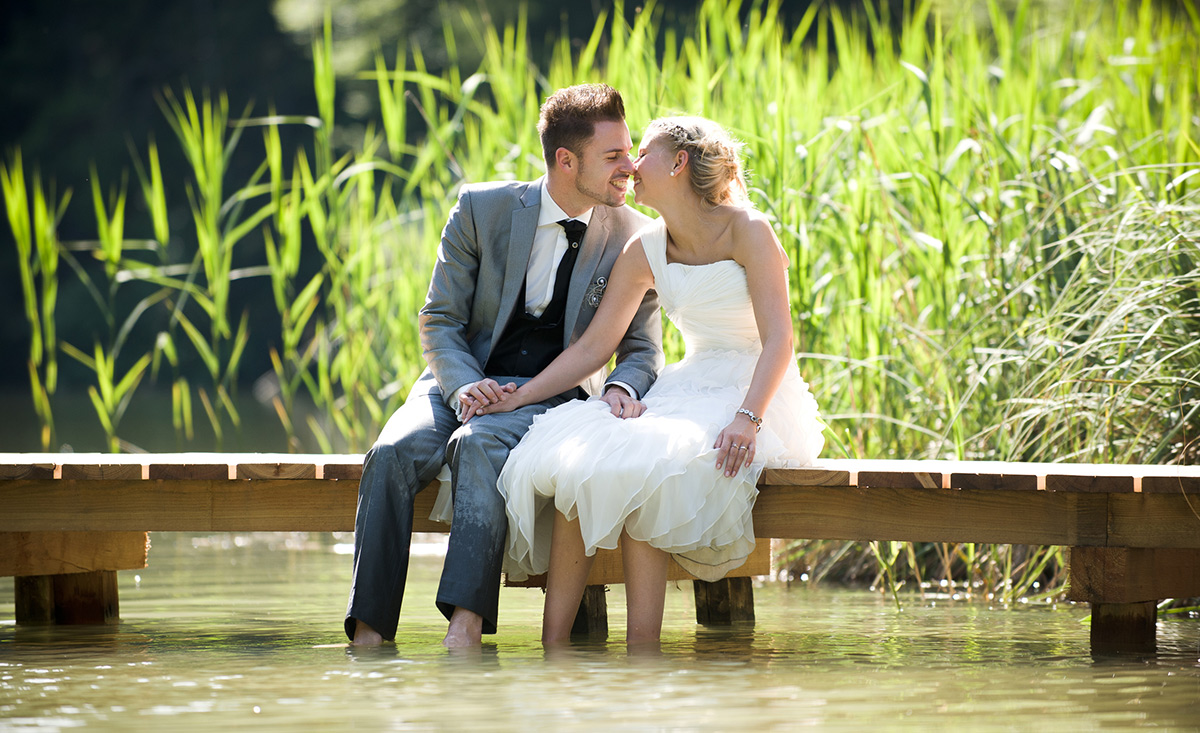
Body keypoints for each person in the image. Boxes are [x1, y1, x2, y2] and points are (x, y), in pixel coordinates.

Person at [464, 116, 824, 645]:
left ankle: (642, 653)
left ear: (678, 163)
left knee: (645, 468)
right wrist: (520, 394)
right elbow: (592, 348)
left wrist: (748, 419)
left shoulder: (749, 230)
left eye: (644, 153)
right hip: (689, 381)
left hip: (752, 387)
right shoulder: (646, 246)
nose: (631, 165)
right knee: (580, 461)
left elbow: (780, 342)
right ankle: (554, 649)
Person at [344, 84, 663, 648]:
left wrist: (619, 385)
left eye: (629, 151)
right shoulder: (480, 209)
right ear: (567, 161)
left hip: (555, 395)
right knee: (391, 453)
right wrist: (465, 386)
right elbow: (439, 320)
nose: (630, 168)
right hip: (460, 378)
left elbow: (641, 349)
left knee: (480, 444)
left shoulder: (634, 237)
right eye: (614, 156)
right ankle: (368, 637)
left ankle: (464, 630)